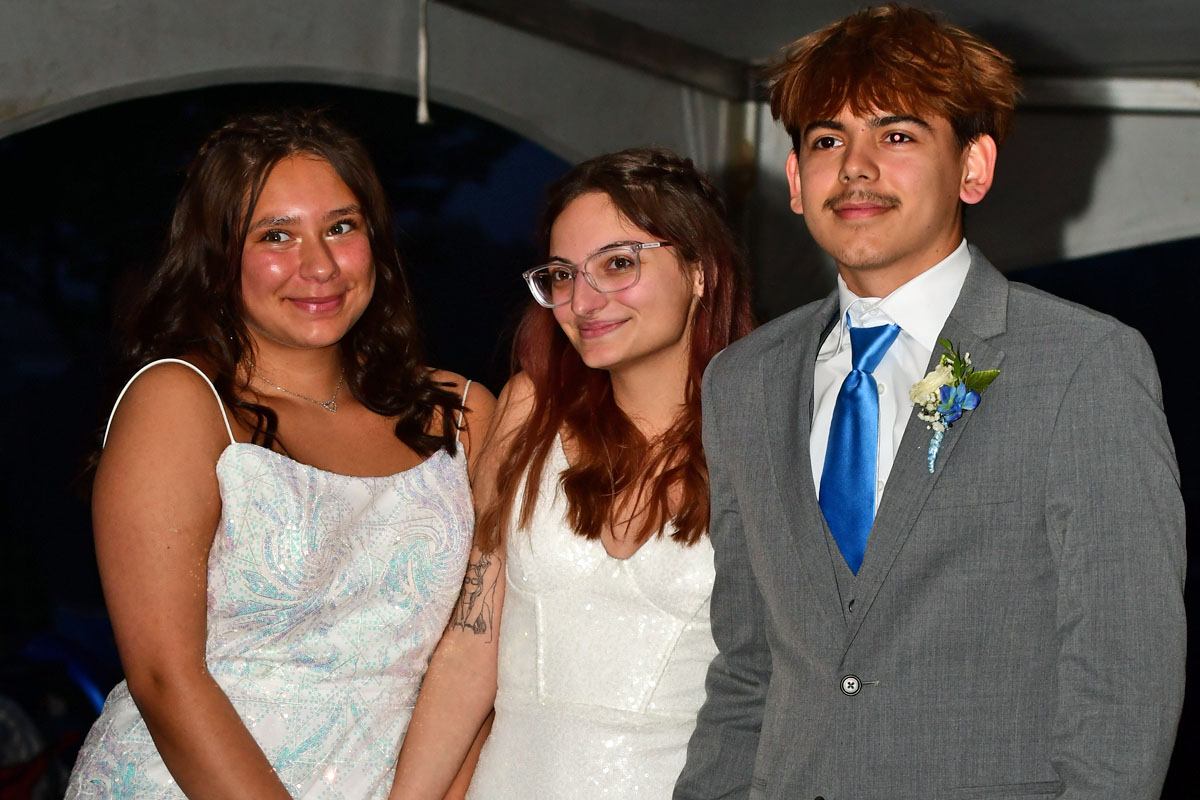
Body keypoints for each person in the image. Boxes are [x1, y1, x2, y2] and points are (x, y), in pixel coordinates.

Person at [675, 6, 1186, 800]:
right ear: (796, 182)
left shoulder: (1081, 364)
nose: (855, 167)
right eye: (827, 140)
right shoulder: (742, 381)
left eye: (897, 135)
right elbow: (746, 666)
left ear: (973, 167)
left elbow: (1124, 674)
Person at [66, 109, 494, 799]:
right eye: (276, 235)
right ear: (218, 257)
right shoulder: (180, 402)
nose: (318, 265)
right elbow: (164, 677)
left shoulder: (463, 414)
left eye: (341, 227)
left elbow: (482, 655)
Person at [390, 147, 755, 799]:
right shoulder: (530, 410)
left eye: (617, 264)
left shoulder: (765, 439)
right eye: (562, 274)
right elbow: (468, 652)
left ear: (699, 271)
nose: (582, 301)